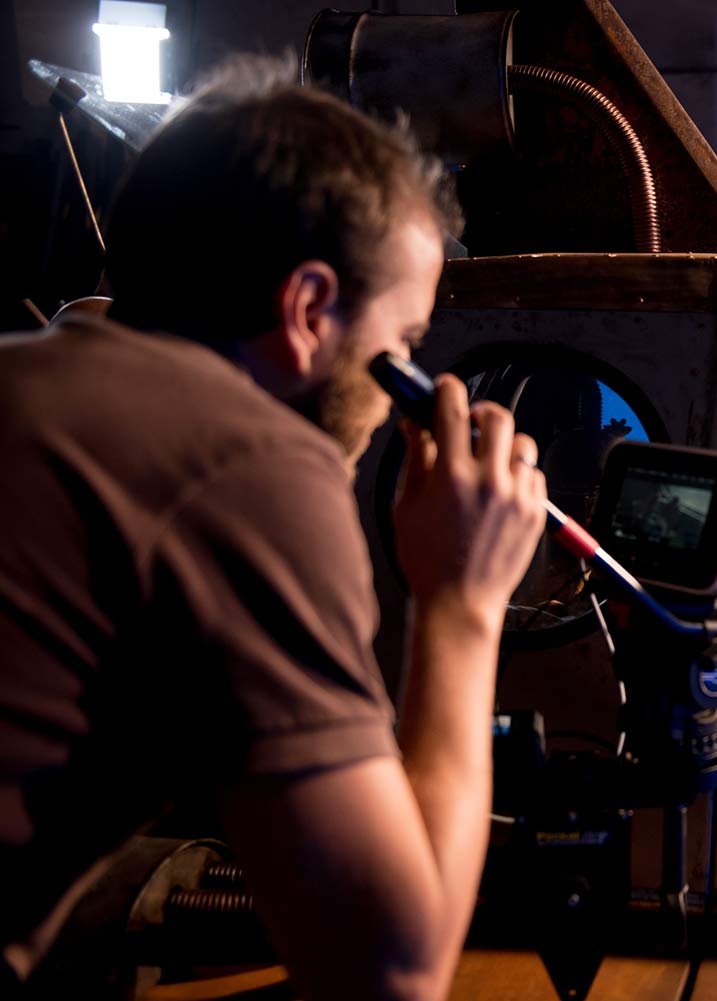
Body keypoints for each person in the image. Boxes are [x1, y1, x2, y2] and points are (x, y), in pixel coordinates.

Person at [0, 58, 547, 1001]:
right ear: (306, 310)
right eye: (404, 346)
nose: (397, 396)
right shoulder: (241, 457)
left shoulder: (46, 382)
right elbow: (392, 970)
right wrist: (463, 600)